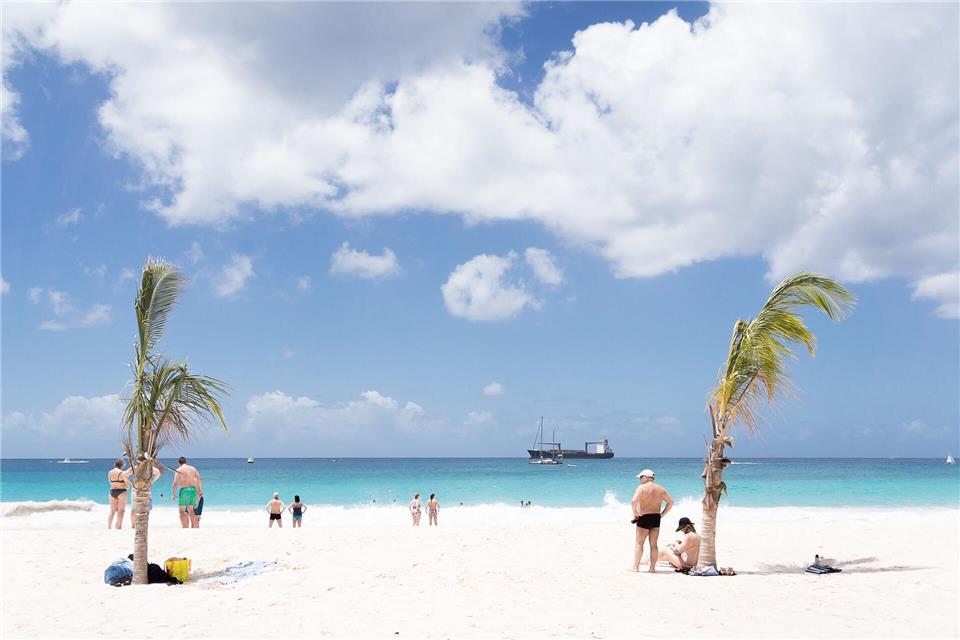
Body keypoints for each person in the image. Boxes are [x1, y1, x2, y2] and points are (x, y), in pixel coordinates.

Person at [630, 468, 673, 573]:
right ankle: (652, 568)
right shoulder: (661, 489)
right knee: (653, 544)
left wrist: (635, 513)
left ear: (646, 477)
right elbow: (670, 502)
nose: (640, 479)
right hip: (656, 517)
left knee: (639, 543)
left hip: (644, 517)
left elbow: (633, 501)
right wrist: (662, 514)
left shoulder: (641, 488)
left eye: (641, 477)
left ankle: (635, 568)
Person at [123, 454, 163, 529]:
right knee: (145, 508)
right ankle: (142, 524)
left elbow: (124, 475)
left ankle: (133, 526)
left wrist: (131, 483)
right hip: (145, 488)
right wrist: (151, 481)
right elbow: (158, 473)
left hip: (136, 488)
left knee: (134, 508)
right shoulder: (149, 468)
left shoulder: (135, 467)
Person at [171, 456, 203, 528]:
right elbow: (199, 479)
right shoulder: (192, 468)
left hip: (184, 490)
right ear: (185, 462)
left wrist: (173, 494)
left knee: (182, 511)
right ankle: (195, 527)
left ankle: (185, 527)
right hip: (193, 490)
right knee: (191, 510)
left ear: (179, 463)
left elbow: (175, 483)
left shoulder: (179, 469)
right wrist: (200, 490)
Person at [107, 459, 128, 529]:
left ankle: (109, 527)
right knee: (121, 511)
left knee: (112, 511)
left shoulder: (110, 472)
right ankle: (118, 527)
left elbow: (110, 482)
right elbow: (127, 482)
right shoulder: (122, 472)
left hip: (112, 491)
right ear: (122, 465)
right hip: (121, 491)